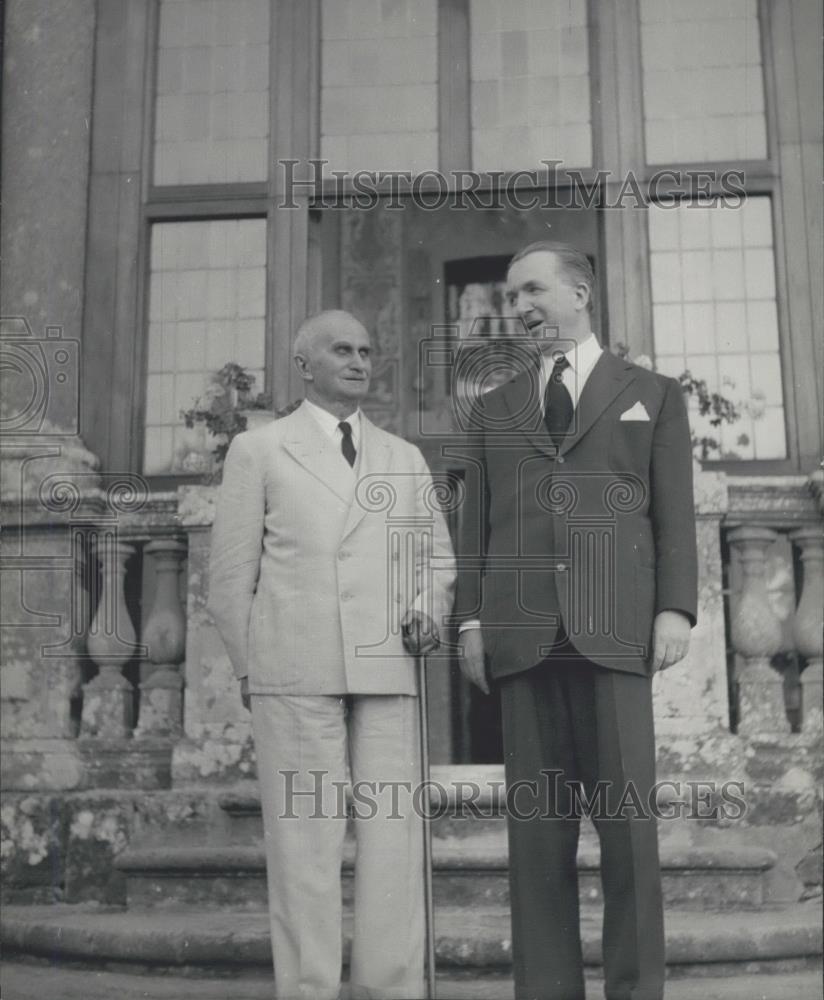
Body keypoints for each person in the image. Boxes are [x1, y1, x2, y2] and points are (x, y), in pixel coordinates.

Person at [454, 242, 697, 1000]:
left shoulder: (651, 394)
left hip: (616, 638)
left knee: (629, 841)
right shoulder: (494, 409)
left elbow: (674, 516)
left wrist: (674, 608)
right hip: (524, 641)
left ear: (580, 292)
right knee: (536, 846)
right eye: (513, 296)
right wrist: (469, 623)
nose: (520, 308)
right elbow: (477, 526)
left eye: (532, 290)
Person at [208, 309, 456, 1000]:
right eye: (341, 350)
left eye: (366, 351)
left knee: (393, 843)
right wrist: (250, 668)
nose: (357, 361)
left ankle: (390, 989)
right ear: (303, 365)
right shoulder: (259, 450)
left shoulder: (403, 457)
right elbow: (229, 574)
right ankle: (310, 990)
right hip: (295, 667)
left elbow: (434, 559)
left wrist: (424, 611)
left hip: (386, 666)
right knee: (304, 845)